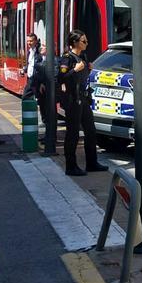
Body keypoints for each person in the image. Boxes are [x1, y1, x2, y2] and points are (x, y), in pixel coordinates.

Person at [58, 30, 107, 176]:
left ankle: (92, 163)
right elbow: (61, 77)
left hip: (83, 98)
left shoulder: (83, 56)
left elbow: (82, 78)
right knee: (72, 133)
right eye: (83, 41)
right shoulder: (67, 59)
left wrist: (88, 69)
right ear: (75, 43)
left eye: (86, 41)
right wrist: (74, 70)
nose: (86, 43)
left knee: (91, 131)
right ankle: (71, 166)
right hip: (73, 100)